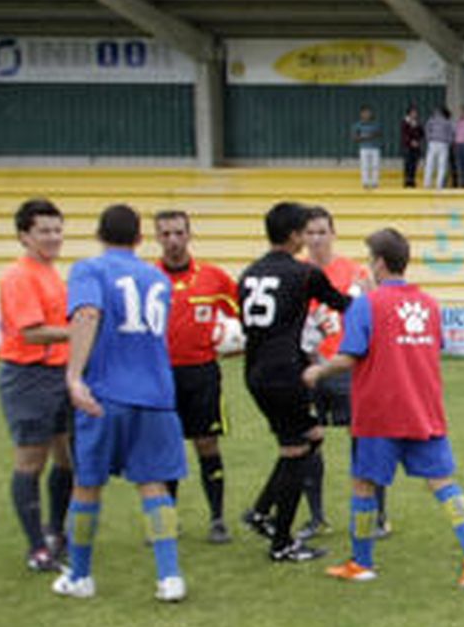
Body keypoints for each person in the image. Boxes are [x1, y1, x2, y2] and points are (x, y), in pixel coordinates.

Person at [304, 228, 464, 588]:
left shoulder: (367, 304)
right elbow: (431, 347)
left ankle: (362, 562)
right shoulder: (429, 304)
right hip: (424, 408)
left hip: (381, 410)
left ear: (379, 263)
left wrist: (318, 370)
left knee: (363, 483)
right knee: (443, 482)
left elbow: (349, 356)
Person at [51, 204, 188, 603]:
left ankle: (80, 576)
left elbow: (87, 314)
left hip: (107, 392)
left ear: (98, 235)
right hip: (156, 393)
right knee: (153, 484)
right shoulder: (157, 277)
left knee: (87, 485)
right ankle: (170, 577)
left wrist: (74, 376)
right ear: (141, 239)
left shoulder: (89, 270)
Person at [236, 201, 352, 563]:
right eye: (303, 231)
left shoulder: (249, 274)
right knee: (298, 448)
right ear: (293, 235)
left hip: (255, 371)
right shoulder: (304, 273)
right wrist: (371, 297)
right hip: (284, 373)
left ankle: (261, 511)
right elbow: (342, 303)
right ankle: (282, 542)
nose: (307, 238)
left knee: (309, 438)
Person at [297, 205, 385, 541]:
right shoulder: (296, 272)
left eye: (322, 232)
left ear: (333, 234)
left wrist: (371, 291)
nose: (316, 239)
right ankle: (316, 517)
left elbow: (376, 314)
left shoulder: (354, 272)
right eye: (310, 233)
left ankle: (376, 515)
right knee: (309, 440)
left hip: (348, 367)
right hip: (308, 367)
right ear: (302, 236)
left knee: (362, 439)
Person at [0, 197, 73, 573]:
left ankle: (55, 531)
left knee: (66, 457)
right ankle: (37, 547)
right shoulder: (19, 276)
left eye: (57, 230)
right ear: (24, 236)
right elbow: (32, 332)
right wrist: (80, 330)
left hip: (58, 373)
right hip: (29, 376)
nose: (53, 237)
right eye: (44, 231)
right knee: (31, 460)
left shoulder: (51, 272)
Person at [154, 210, 241, 544]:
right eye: (166, 234)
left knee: (207, 444)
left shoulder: (213, 277)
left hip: (202, 373)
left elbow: (244, 312)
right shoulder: (149, 279)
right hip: (160, 375)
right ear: (157, 238)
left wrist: (239, 343)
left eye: (179, 233)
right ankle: (167, 520)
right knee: (165, 447)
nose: (173, 240)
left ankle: (217, 519)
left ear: (189, 235)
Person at [351, 104, 382, 189]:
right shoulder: (358, 125)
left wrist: (370, 135)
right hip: (364, 148)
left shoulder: (375, 124)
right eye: (365, 113)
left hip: (375, 147)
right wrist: (364, 137)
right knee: (365, 166)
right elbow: (355, 137)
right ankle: (365, 183)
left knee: (375, 166)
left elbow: (378, 133)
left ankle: (375, 183)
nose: (367, 114)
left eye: (368, 112)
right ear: (361, 114)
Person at [422, 106, 453, 189]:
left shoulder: (431, 120)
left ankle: (427, 184)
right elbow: (450, 134)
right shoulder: (447, 122)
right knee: (442, 165)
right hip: (443, 143)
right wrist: (449, 142)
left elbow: (427, 130)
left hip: (433, 142)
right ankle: (439, 185)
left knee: (429, 164)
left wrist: (429, 139)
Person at [399, 104, 424, 189]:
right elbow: (404, 134)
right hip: (408, 146)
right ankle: (407, 181)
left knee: (414, 164)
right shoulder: (405, 122)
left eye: (416, 112)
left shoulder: (417, 122)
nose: (415, 114)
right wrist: (411, 142)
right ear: (409, 113)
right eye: (413, 112)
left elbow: (422, 133)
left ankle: (412, 180)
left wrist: (417, 140)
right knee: (408, 164)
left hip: (416, 146)